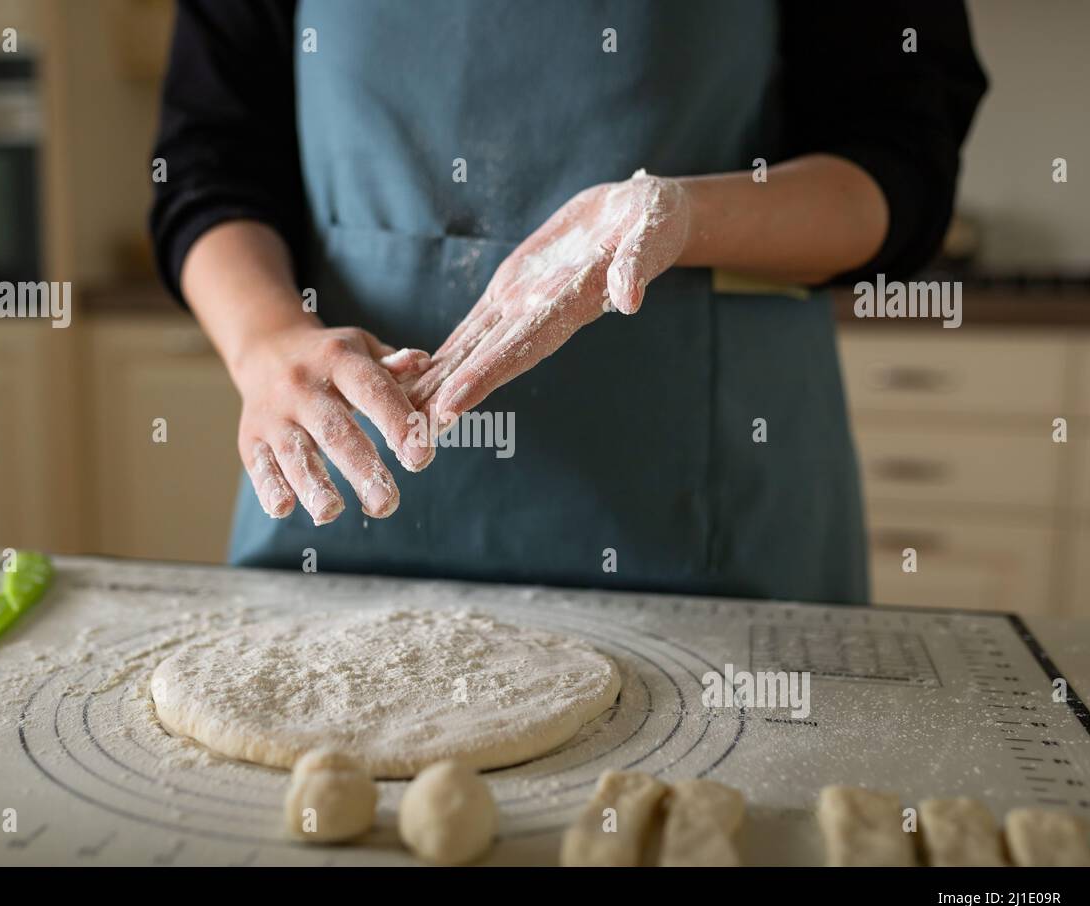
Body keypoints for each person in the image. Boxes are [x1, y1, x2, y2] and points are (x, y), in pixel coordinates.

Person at [150, 0, 986, 602]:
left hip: (703, 530)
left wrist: (684, 216)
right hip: (343, 510)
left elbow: (899, 158)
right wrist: (266, 340)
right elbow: (207, 162)